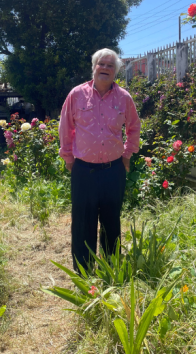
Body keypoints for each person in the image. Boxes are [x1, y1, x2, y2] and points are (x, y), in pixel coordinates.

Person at [59, 48, 141, 272]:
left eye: (110, 66)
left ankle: (110, 267)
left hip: (113, 170)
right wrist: (68, 158)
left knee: (111, 220)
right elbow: (65, 127)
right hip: (84, 170)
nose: (105, 69)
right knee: (83, 221)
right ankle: (84, 270)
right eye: (101, 64)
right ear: (94, 67)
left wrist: (127, 154)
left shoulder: (124, 98)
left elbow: (134, 128)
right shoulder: (76, 95)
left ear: (116, 71)